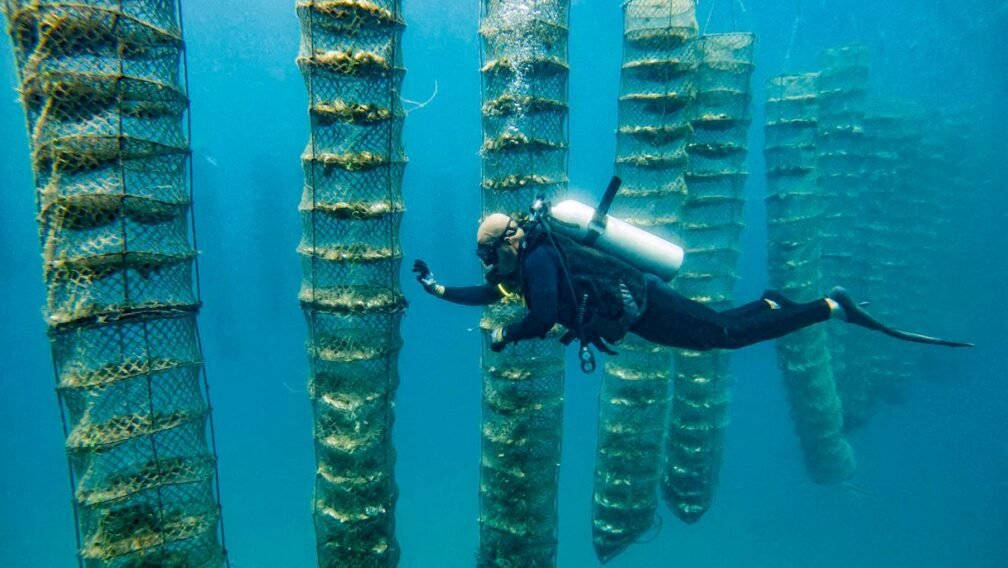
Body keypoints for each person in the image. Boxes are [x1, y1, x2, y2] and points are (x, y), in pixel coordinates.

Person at [412, 212, 972, 363]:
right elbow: (489, 295)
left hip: (642, 305)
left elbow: (541, 316)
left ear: (509, 242)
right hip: (635, 308)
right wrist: (437, 289)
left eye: (490, 255)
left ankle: (828, 307)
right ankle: (770, 303)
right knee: (717, 327)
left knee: (723, 337)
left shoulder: (536, 263)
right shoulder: (525, 266)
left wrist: (507, 339)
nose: (489, 267)